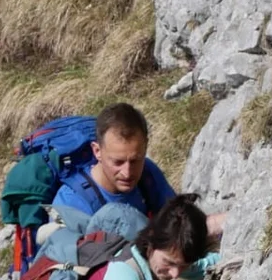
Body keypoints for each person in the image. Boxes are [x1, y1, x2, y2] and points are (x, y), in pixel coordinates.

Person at [38, 105, 225, 264]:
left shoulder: (147, 174)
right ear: (97, 151)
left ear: (145, 147)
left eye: (135, 160)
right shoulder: (71, 203)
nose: (127, 173)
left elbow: (178, 223)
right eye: (117, 162)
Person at [101, 195, 222, 280]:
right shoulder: (122, 274)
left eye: (184, 266)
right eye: (168, 262)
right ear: (151, 241)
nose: (175, 274)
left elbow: (211, 263)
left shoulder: (177, 259)